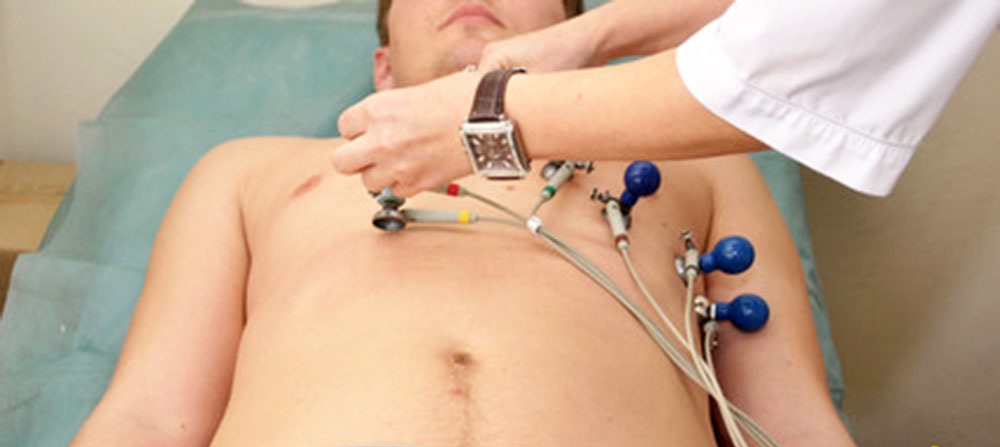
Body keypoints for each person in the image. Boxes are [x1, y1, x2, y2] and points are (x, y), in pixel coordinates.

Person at [37, 1, 887, 447]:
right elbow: (150, 420)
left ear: (571, 42)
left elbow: (789, 435)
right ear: (380, 70)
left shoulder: (696, 168)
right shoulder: (254, 175)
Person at [332, 0, 999, 198]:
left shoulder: (704, 182)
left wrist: (491, 120)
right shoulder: (253, 174)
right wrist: (604, 32)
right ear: (380, 67)